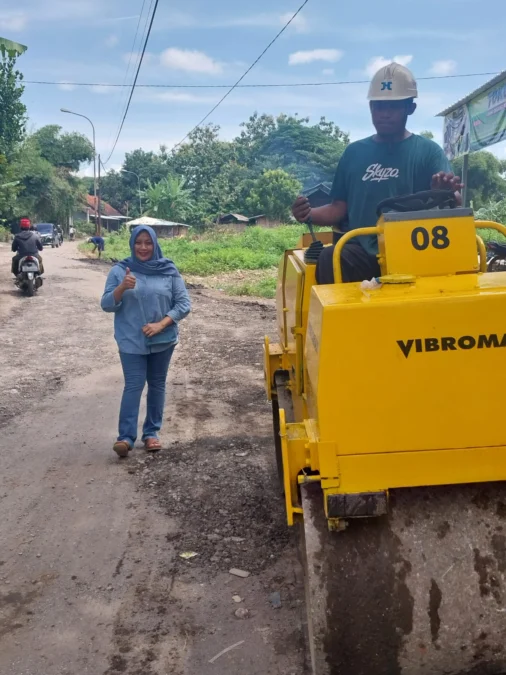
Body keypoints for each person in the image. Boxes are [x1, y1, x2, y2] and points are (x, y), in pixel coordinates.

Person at [291, 62, 463, 284]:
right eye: (378, 106)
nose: (384, 114)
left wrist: (445, 194)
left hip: (417, 249)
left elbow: (455, 202)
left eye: (393, 107)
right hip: (363, 250)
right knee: (330, 258)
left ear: (410, 108)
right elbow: (338, 209)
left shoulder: (429, 152)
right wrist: (308, 213)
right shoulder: (354, 153)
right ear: (371, 107)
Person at [101, 225, 191, 458]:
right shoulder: (120, 271)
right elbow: (107, 304)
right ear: (132, 244)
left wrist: (161, 324)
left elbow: (183, 304)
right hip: (131, 340)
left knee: (157, 385)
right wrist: (121, 288)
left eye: (148, 242)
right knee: (134, 385)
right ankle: (125, 437)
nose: (143, 247)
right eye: (138, 242)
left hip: (163, 340)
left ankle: (151, 433)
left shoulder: (169, 270)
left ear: (155, 244)